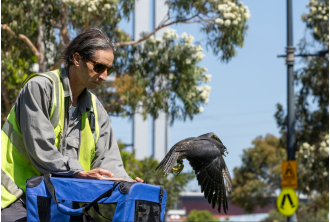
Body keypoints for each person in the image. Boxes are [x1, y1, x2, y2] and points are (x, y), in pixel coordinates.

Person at [1, 28, 143, 221]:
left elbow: (108, 160)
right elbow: (41, 150)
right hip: (15, 196)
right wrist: (78, 172)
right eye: (99, 67)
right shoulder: (40, 88)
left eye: (109, 69)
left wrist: (128, 184)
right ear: (77, 59)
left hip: (60, 198)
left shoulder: (96, 109)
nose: (104, 76)